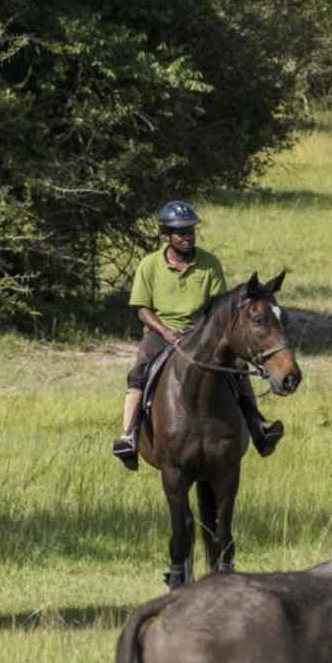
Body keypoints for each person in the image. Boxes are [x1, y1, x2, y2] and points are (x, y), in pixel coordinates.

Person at [112, 200, 285, 470]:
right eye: (181, 233)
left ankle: (258, 427)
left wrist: (200, 333)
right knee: (141, 368)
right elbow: (142, 310)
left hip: (203, 333)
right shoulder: (149, 265)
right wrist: (166, 332)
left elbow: (219, 307)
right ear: (167, 235)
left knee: (237, 367)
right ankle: (129, 435)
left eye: (191, 232)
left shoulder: (209, 263)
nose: (187, 238)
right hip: (161, 331)